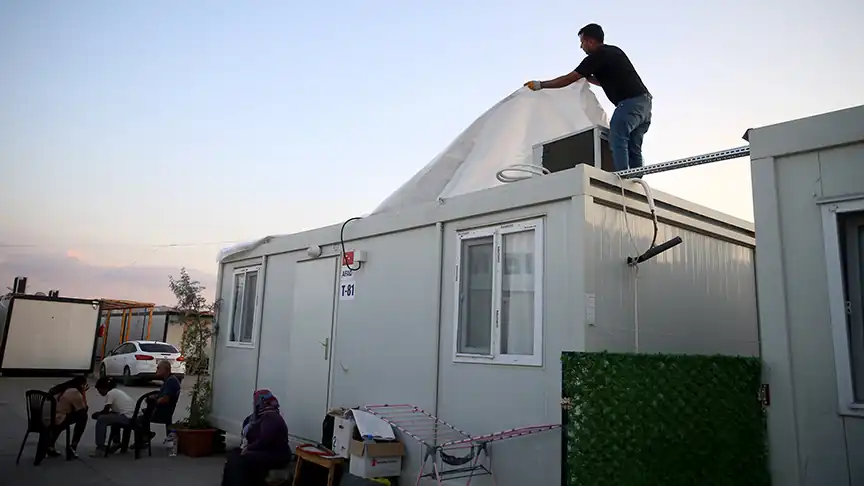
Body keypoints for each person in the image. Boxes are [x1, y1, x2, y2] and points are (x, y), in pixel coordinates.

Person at [524, 23, 652, 174]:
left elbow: (567, 79)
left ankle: (622, 176)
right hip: (645, 103)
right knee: (633, 145)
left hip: (630, 103)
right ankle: (636, 180)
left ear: (590, 41)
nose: (581, 47)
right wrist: (587, 78)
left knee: (617, 135)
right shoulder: (613, 51)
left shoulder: (597, 56)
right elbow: (607, 80)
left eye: (582, 42)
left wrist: (540, 85)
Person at [221, 389, 292, 486]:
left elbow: (264, 441)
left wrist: (249, 448)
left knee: (239, 460)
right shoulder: (259, 417)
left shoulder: (271, 417)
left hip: (276, 454)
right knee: (234, 455)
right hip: (266, 451)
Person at [90, 377, 136, 457]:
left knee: (102, 420)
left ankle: (100, 447)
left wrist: (97, 414)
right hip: (132, 415)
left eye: (99, 390)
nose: (99, 392)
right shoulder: (117, 391)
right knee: (112, 417)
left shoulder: (110, 393)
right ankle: (116, 442)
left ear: (104, 388)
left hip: (127, 417)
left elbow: (106, 410)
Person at [46, 375, 89, 459]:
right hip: (58, 419)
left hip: (46, 417)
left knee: (65, 414)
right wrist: (83, 393)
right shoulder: (74, 392)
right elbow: (84, 408)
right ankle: (73, 446)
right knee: (83, 416)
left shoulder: (60, 389)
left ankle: (50, 445)